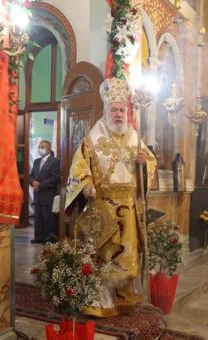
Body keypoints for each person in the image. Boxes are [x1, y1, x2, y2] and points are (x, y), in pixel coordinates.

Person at [65, 77, 157, 317]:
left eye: (122, 110)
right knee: (104, 256)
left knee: (127, 256)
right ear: (105, 111)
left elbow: (150, 163)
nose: (118, 114)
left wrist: (144, 164)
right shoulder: (91, 139)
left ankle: (125, 299)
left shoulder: (134, 137)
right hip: (103, 206)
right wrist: (87, 185)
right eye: (114, 110)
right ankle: (101, 302)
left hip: (129, 206)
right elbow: (79, 168)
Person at [29, 140, 60, 244]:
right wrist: (33, 182)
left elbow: (55, 178)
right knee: (38, 218)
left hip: (48, 194)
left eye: (42, 147)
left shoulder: (55, 161)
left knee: (48, 219)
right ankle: (39, 237)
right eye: (39, 146)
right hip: (37, 195)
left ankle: (48, 239)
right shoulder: (36, 161)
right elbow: (31, 175)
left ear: (48, 149)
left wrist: (40, 185)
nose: (40, 149)